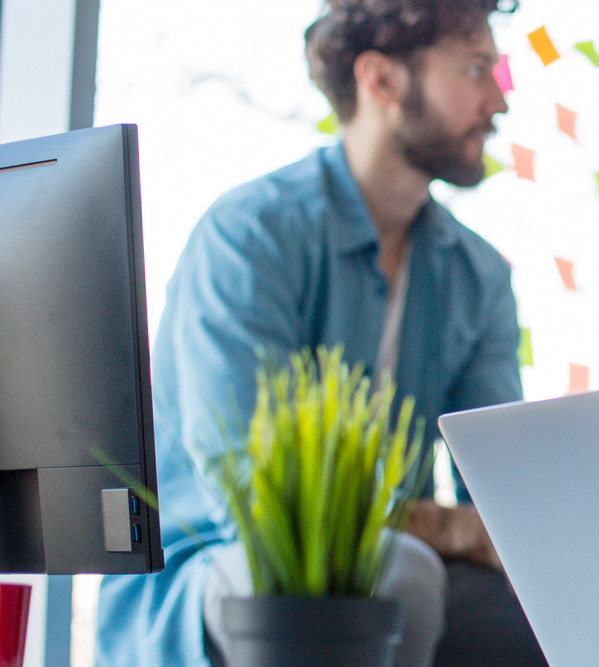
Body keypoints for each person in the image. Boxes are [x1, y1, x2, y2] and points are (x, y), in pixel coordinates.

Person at [96, 1, 543, 665]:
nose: (499, 99)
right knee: (397, 579)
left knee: (561, 609)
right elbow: (255, 493)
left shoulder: (476, 275)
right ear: (381, 81)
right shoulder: (251, 234)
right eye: (477, 68)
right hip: (222, 568)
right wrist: (448, 525)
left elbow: (504, 502)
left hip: (397, 566)